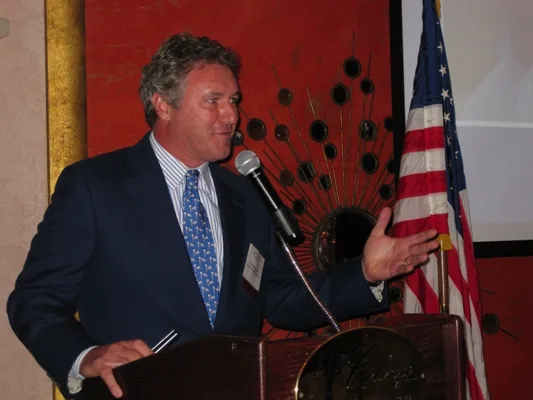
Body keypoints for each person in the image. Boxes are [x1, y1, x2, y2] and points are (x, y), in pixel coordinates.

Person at [7, 33, 438, 399]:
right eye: (213, 101)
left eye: (233, 100)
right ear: (163, 105)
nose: (232, 116)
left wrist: (364, 273)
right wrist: (86, 357)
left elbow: (283, 301)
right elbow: (34, 301)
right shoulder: (94, 186)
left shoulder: (244, 195)